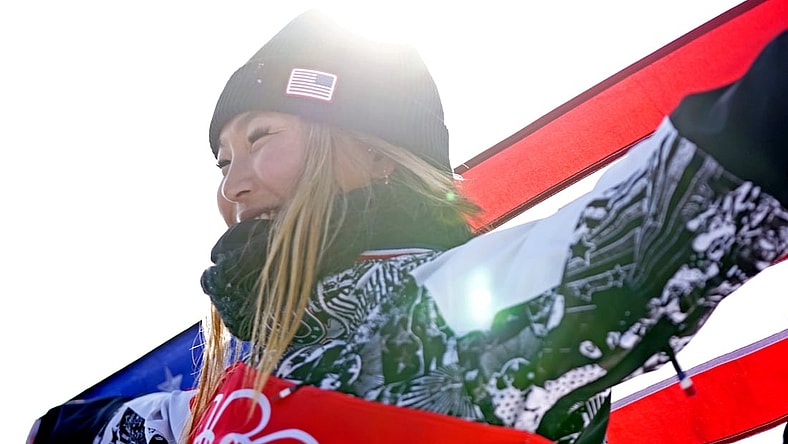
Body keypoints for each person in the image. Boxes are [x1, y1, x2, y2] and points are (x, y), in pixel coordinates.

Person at [29, 10, 787, 444]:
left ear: (375, 155)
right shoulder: (200, 403)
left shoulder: (465, 310)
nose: (235, 181)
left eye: (261, 138)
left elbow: (683, 197)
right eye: (222, 160)